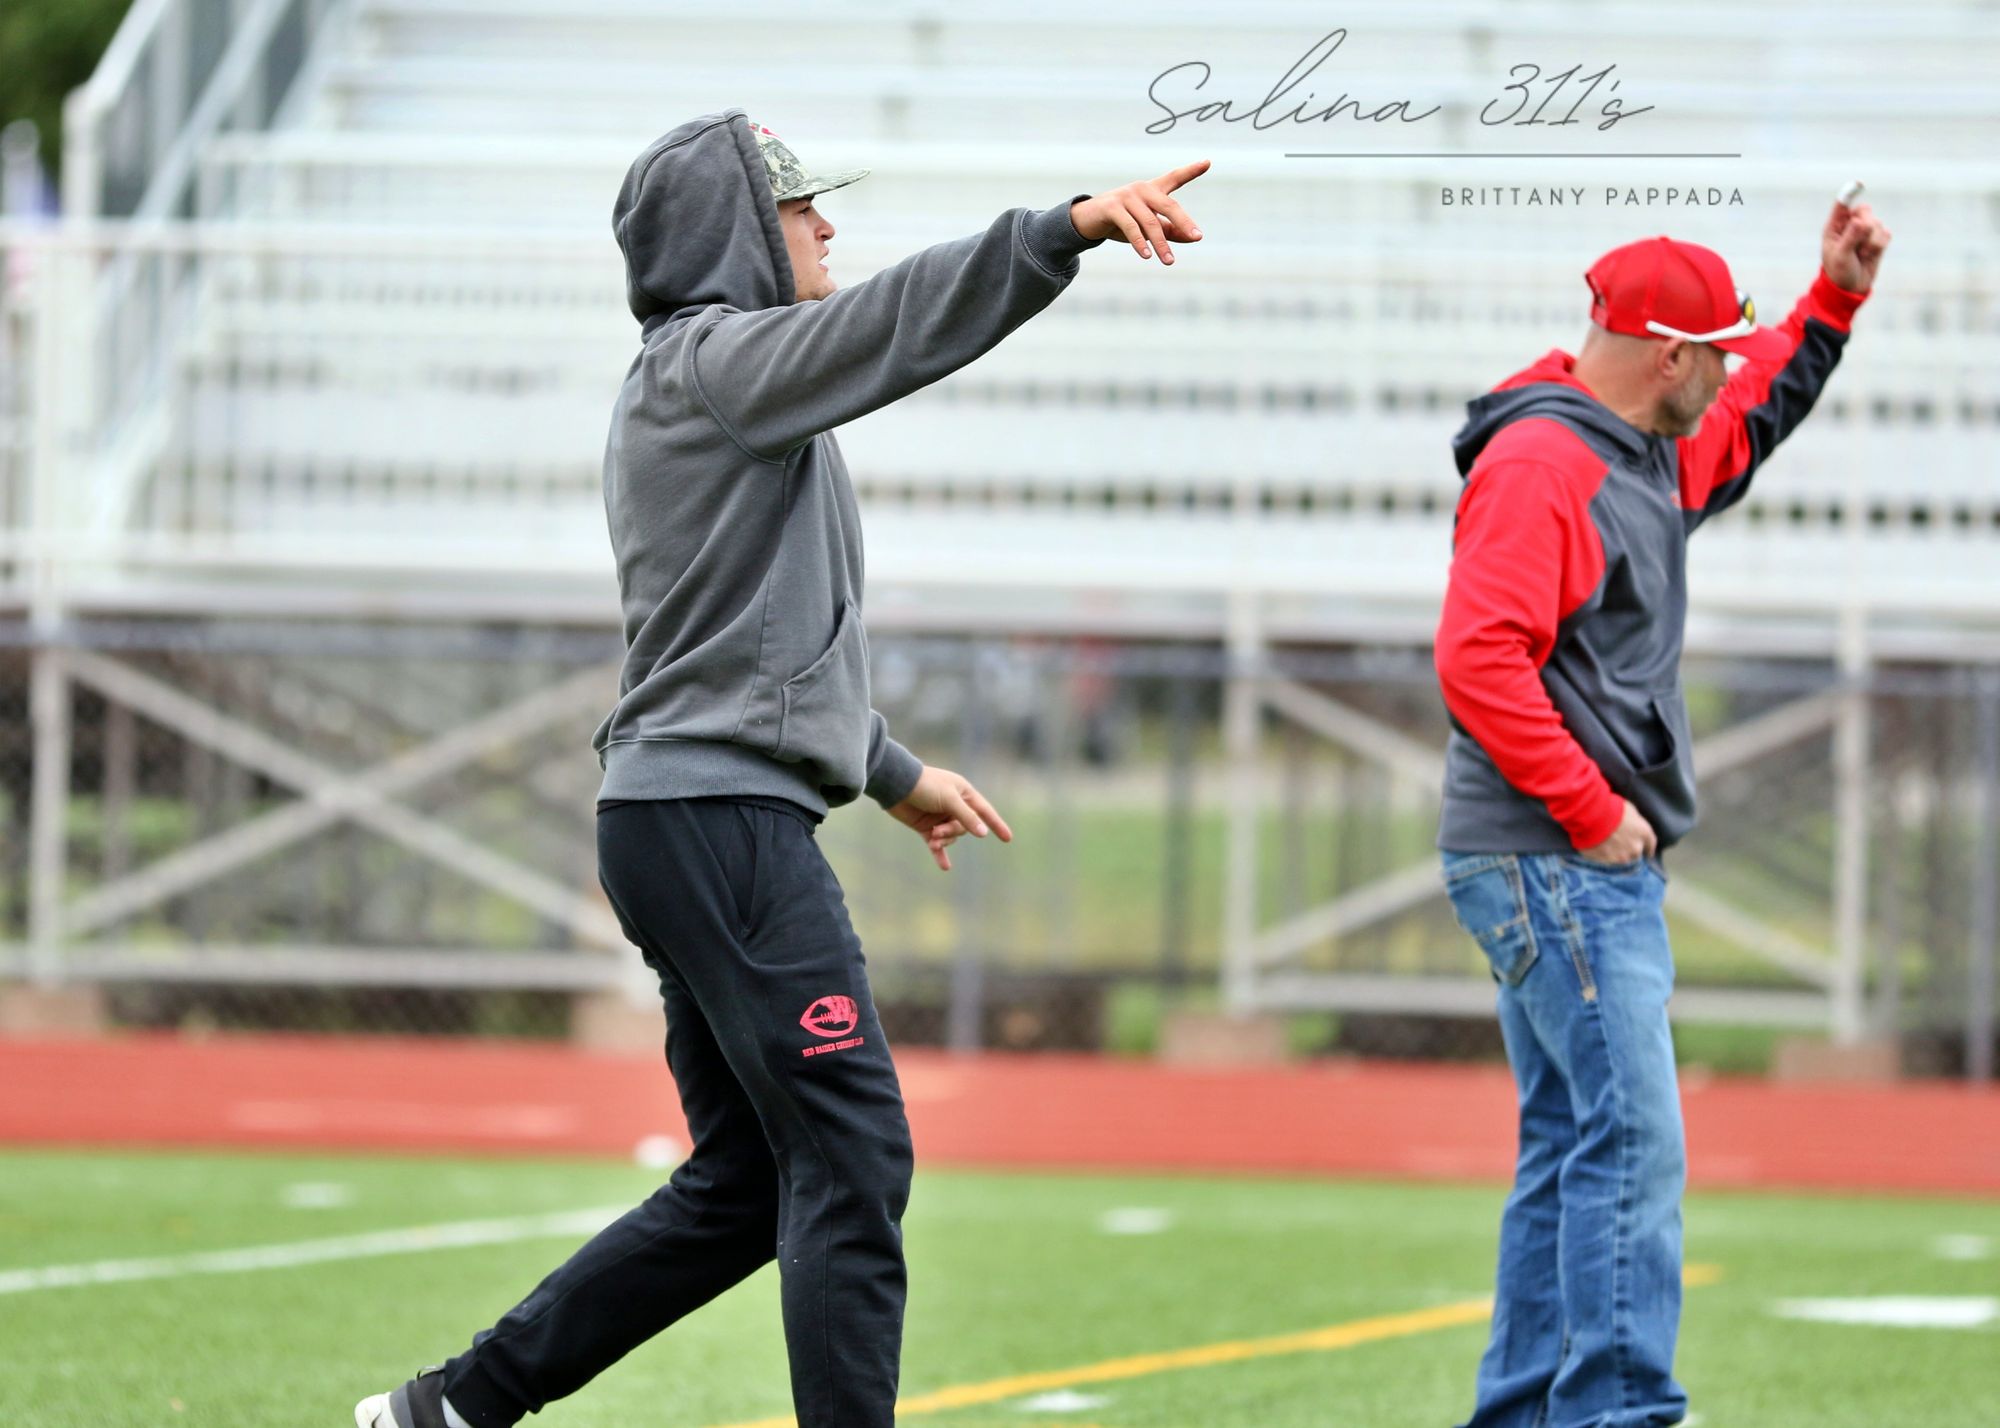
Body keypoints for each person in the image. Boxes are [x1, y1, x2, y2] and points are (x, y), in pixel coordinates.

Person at [354, 111, 1206, 1428]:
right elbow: (895, 325)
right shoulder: (717, 363)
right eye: (801, 208)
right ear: (735, 233)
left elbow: (752, 652)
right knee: (853, 1154)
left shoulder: (715, 381)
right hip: (718, 822)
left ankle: (448, 1412)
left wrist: (890, 770)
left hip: (687, 816)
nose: (825, 227)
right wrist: (1065, 229)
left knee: (752, 1184)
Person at [1432, 197, 1890, 1428]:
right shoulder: (1549, 464)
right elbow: (1478, 657)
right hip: (1555, 856)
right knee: (1630, 1147)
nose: (1731, 370)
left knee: (1573, 1148)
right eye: (1717, 352)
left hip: (1543, 854)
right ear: (1669, 357)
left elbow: (1750, 415)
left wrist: (1831, 301)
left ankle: (1530, 1415)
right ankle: (1615, 1416)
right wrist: (1589, 811)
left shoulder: (1626, 442)